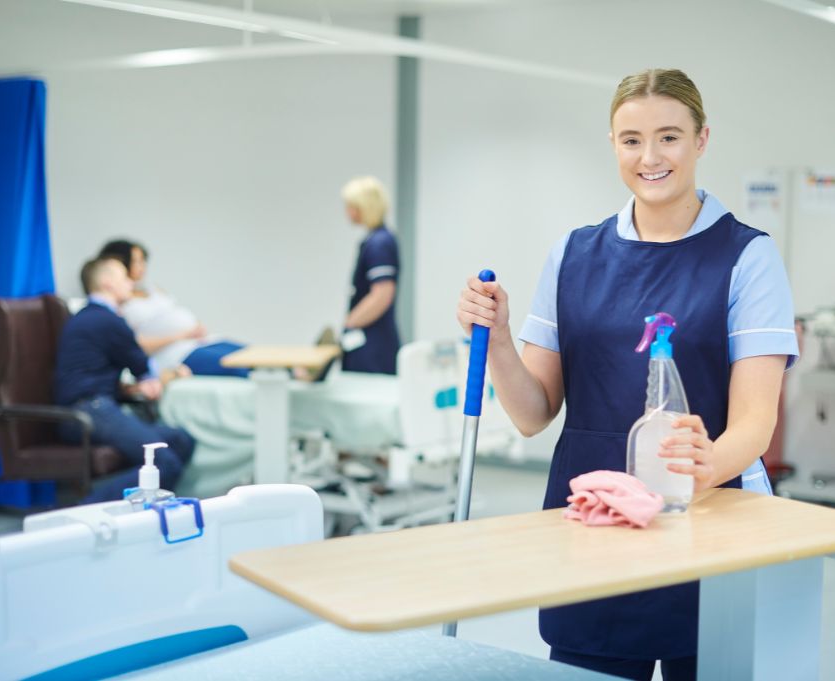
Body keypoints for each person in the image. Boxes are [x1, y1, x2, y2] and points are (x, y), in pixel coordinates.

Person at [455, 69, 799, 680]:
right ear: (613, 144)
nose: (650, 157)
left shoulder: (747, 255)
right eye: (631, 139)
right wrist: (501, 339)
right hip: (594, 520)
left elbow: (754, 422)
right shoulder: (573, 253)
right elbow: (534, 414)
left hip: (709, 522)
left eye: (669, 137)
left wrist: (698, 472)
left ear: (701, 140)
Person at [55, 256, 195, 504]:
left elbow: (95, 372)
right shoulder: (108, 320)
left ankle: (142, 506)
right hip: (88, 412)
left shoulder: (90, 317)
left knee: (181, 440)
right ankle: (87, 512)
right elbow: (146, 369)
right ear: (108, 282)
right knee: (165, 462)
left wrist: (127, 388)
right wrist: (171, 374)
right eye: (124, 278)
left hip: (92, 407)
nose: (131, 283)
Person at [98, 239, 249, 378]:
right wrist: (182, 335)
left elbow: (173, 311)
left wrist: (195, 327)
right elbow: (134, 345)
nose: (142, 267)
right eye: (136, 261)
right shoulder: (118, 303)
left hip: (200, 341)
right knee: (239, 367)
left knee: (252, 355)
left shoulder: (152, 289)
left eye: (143, 261)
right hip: (174, 354)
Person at [340, 176, 401, 375]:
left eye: (350, 206)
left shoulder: (379, 243)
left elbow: (382, 294)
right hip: (368, 340)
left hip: (373, 346)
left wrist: (350, 322)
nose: (347, 211)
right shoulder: (374, 240)